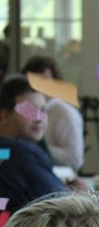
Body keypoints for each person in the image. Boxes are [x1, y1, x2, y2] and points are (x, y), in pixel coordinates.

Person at [0, 74, 66, 211]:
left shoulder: (5, 151)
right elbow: (64, 204)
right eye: (29, 110)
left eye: (42, 110)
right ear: (5, 117)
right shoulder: (19, 152)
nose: (39, 117)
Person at [22, 54, 85, 172]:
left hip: (54, 177)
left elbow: (75, 160)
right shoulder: (22, 109)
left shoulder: (65, 112)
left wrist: (36, 148)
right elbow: (9, 150)